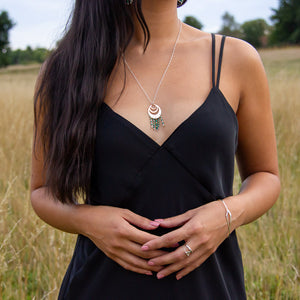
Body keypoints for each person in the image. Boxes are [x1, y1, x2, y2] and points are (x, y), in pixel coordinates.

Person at [30, 0, 281, 299]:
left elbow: (266, 175)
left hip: (209, 287)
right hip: (101, 286)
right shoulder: (66, 70)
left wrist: (227, 213)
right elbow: (41, 191)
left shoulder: (235, 59)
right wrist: (88, 220)